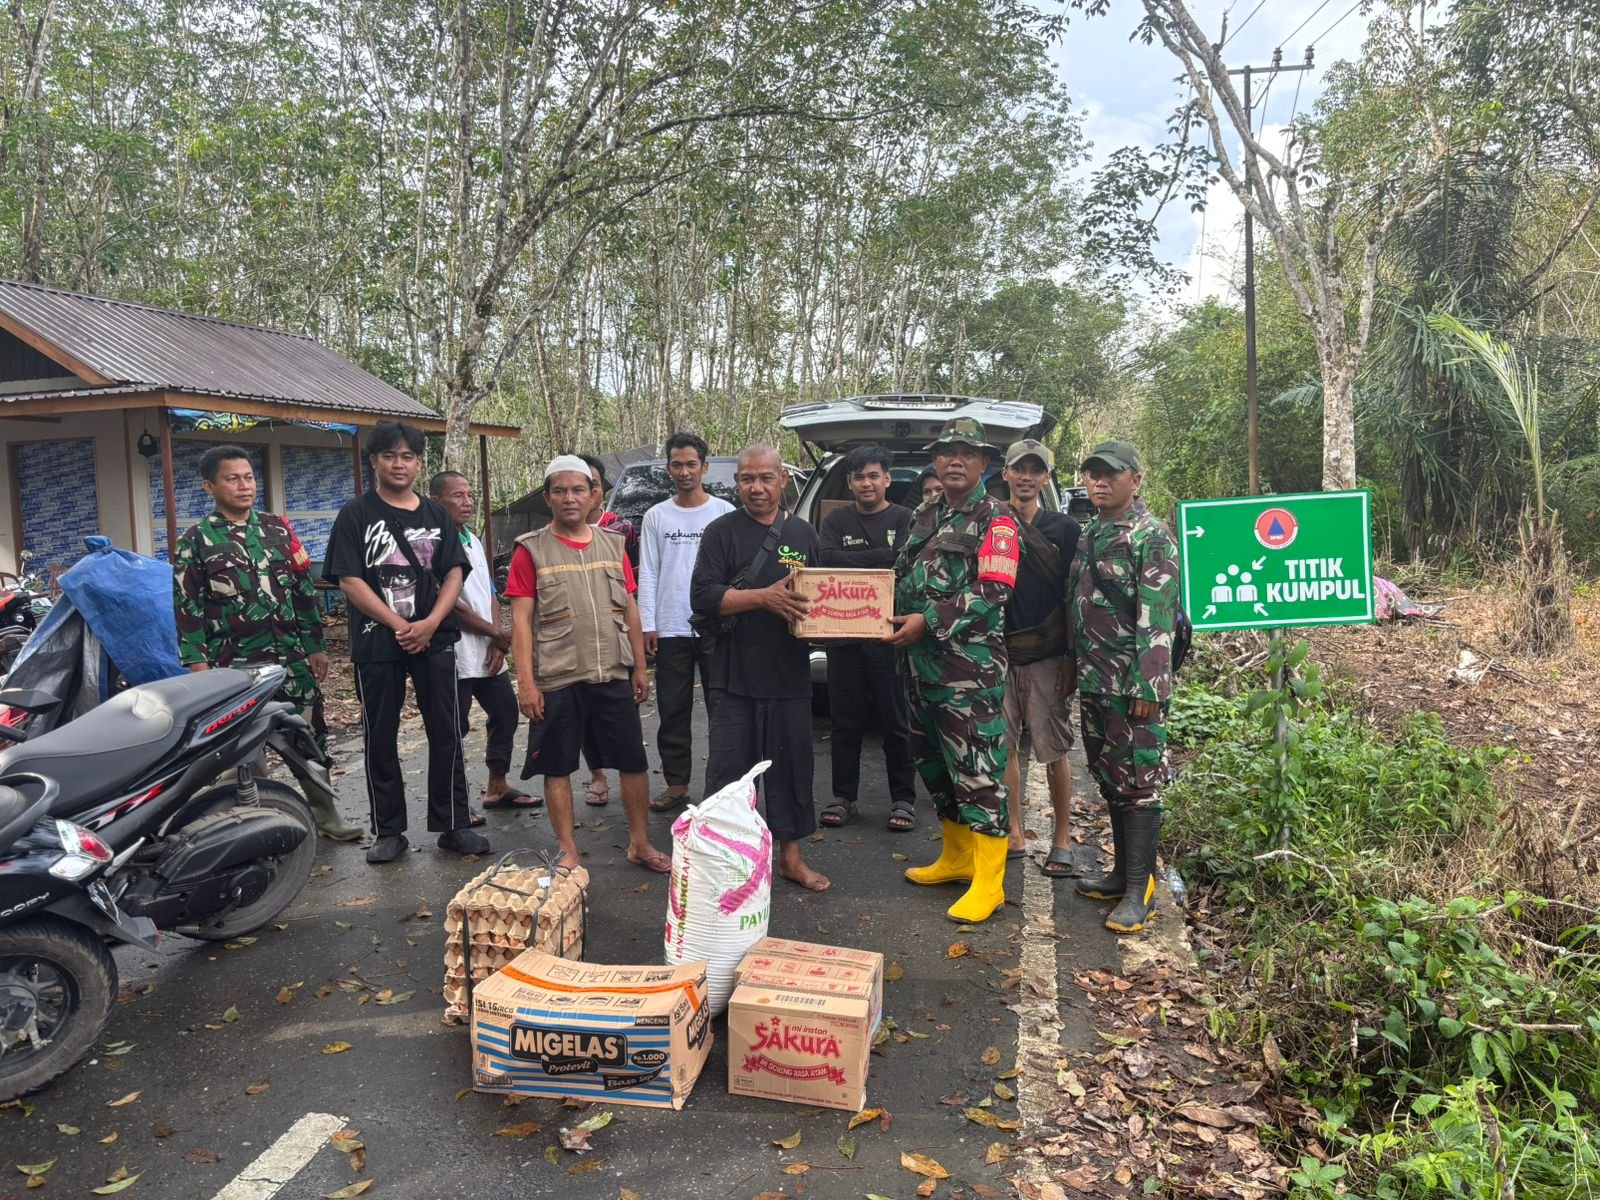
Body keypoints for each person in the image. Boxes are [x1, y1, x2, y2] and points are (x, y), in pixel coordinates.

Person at [172, 445, 362, 842]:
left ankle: (325, 815)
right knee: (240, 748)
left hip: (290, 660)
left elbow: (303, 590)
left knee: (308, 737)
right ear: (209, 486)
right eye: (232, 479)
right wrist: (199, 670)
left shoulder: (278, 529)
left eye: (249, 477)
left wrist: (315, 645)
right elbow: (187, 609)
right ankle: (246, 822)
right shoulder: (196, 540)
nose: (244, 486)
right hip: (234, 667)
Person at [323, 420, 488, 864]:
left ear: (418, 463)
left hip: (435, 638)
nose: (399, 464)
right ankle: (389, 830)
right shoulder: (355, 515)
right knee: (380, 736)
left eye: (408, 456)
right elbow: (349, 580)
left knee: (447, 731)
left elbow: (454, 572)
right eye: (390, 456)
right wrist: (400, 624)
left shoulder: (436, 515)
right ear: (374, 461)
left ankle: (453, 824)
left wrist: (431, 622)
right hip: (377, 643)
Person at [506, 456, 669, 874]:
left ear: (594, 494)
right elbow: (521, 623)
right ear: (547, 498)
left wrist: (639, 667)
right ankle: (568, 851)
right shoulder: (530, 550)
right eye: (559, 491)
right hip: (557, 677)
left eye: (578, 489)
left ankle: (639, 843)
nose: (569, 498)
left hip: (612, 671)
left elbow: (629, 607)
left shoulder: (613, 544)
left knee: (632, 761)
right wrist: (526, 684)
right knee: (557, 765)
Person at [889, 417, 1019, 924]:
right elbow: (901, 574)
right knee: (935, 765)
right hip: (918, 665)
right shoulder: (926, 513)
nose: (955, 461)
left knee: (978, 771)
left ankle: (990, 883)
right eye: (946, 453)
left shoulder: (997, 519)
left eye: (966, 453)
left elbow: (994, 590)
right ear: (936, 462)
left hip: (968, 672)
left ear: (984, 462)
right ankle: (957, 857)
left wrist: (929, 620)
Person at [690, 444, 828, 892]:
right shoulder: (721, 532)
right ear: (736, 482)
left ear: (782, 480)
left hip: (790, 676)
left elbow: (821, 599)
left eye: (766, 478)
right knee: (728, 777)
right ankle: (724, 864)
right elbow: (703, 596)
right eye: (747, 478)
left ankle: (791, 858)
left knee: (792, 771)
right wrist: (762, 598)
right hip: (733, 677)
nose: (757, 487)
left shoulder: (804, 534)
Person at [1066, 440, 1180, 934]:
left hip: (1132, 685)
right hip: (1095, 680)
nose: (1099, 481)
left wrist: (1149, 686)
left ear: (1135, 480)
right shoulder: (1091, 532)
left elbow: (1158, 615)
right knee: (1112, 778)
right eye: (1093, 473)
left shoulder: (1151, 536)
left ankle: (1140, 889)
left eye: (1110, 474)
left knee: (1139, 783)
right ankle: (1120, 874)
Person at [817, 444, 916, 831]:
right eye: (859, 477)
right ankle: (843, 797)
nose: (867, 483)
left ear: (887, 479)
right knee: (845, 723)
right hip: (843, 635)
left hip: (889, 635)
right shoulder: (836, 519)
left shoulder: (905, 517)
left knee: (895, 722)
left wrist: (859, 560)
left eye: (874, 475)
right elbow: (826, 559)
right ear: (850, 482)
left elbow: (903, 562)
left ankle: (903, 799)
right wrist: (880, 556)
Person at [429, 471, 538, 813]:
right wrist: (496, 634)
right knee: (453, 728)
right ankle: (454, 804)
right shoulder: (431, 543)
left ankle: (497, 785)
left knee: (505, 712)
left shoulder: (472, 539)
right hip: (454, 651)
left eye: (470, 495)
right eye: (458, 496)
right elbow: (449, 603)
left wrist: (496, 639)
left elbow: (489, 592)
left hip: (486, 649)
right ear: (436, 501)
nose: (468, 502)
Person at [637, 432, 734, 813]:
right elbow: (649, 573)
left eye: (691, 464)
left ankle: (723, 787)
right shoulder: (656, 516)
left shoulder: (724, 512)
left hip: (715, 625)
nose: (684, 472)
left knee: (722, 707)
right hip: (671, 626)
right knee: (673, 709)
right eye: (676, 465)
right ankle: (676, 785)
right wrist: (648, 624)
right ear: (668, 469)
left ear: (704, 467)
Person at [996, 440, 1081, 875]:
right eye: (1019, 469)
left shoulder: (1064, 529)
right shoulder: (993, 523)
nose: (1026, 477)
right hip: (1000, 653)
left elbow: (1075, 597)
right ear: (1006, 474)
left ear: (1046, 478)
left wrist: (1071, 656)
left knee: (1054, 749)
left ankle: (1062, 838)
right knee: (1005, 745)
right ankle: (1014, 831)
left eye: (1035, 470)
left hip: (1048, 654)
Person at [576, 454, 638, 809]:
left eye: (591, 485)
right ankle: (597, 775)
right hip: (576, 640)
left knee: (621, 711)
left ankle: (630, 777)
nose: (582, 493)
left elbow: (635, 583)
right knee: (584, 712)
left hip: (617, 635)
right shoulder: (550, 536)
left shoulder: (622, 529)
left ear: (599, 490)